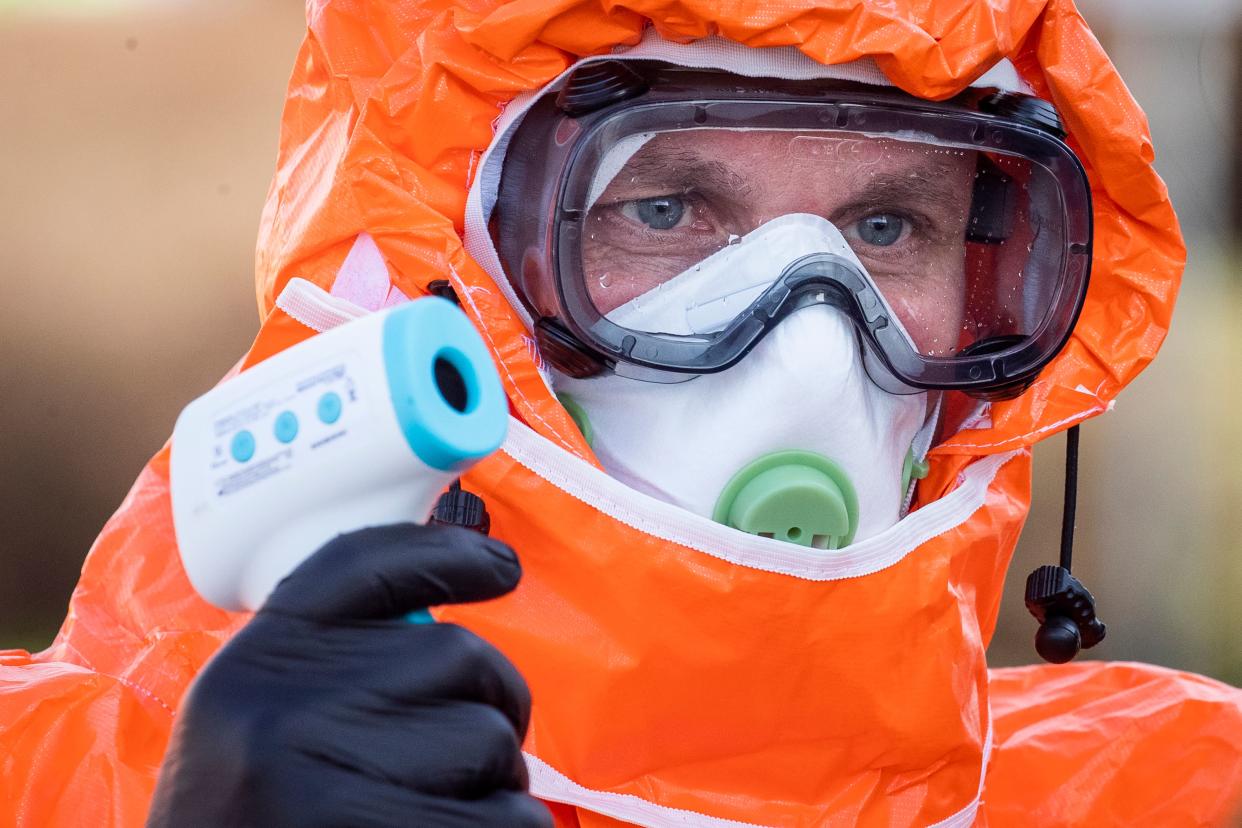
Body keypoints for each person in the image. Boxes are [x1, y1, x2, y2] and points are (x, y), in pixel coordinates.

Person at [2, 1, 1240, 826]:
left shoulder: (1167, 788)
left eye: (884, 228)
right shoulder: (49, 781)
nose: (812, 346)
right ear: (453, 269)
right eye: (664, 210)